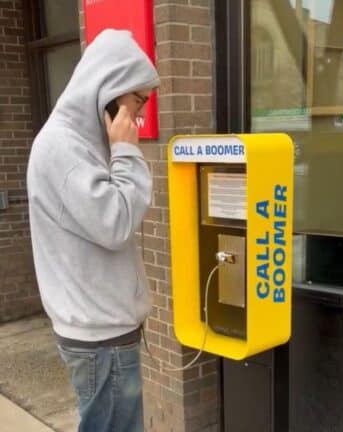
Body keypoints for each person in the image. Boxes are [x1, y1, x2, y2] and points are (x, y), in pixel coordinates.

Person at [27, 29, 159, 431]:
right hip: (99, 338)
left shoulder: (81, 144)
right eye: (136, 102)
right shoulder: (62, 148)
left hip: (102, 331)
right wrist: (126, 150)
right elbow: (116, 222)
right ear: (110, 92)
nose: (138, 117)